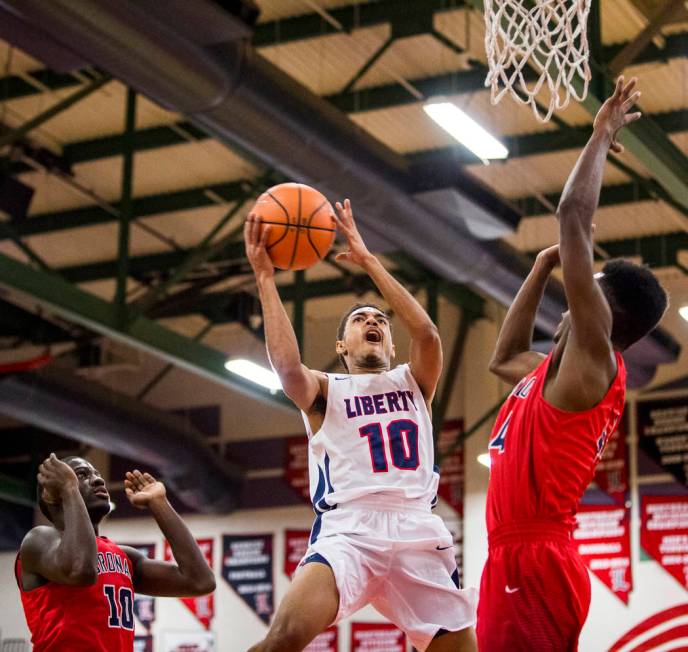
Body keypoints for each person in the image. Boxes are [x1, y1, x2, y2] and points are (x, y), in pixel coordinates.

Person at [477, 76, 668, 651]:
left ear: (604, 311)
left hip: (534, 560)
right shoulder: (554, 375)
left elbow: (571, 214)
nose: (573, 290)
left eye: (588, 284)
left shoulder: (594, 354)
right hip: (516, 556)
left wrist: (600, 132)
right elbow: (503, 358)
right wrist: (539, 267)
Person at [244, 199, 477, 652]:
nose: (372, 321)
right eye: (359, 319)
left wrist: (369, 261)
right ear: (341, 345)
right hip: (349, 530)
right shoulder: (326, 389)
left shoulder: (413, 381)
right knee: (284, 638)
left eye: (380, 321)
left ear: (389, 344)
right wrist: (266, 279)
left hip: (416, 528)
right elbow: (288, 367)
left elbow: (427, 334)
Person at [16, 454, 216, 651]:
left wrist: (159, 503)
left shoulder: (125, 556)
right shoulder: (39, 540)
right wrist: (69, 489)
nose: (98, 479)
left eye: (97, 474)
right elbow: (80, 570)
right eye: (82, 475)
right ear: (51, 494)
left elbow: (200, 581)